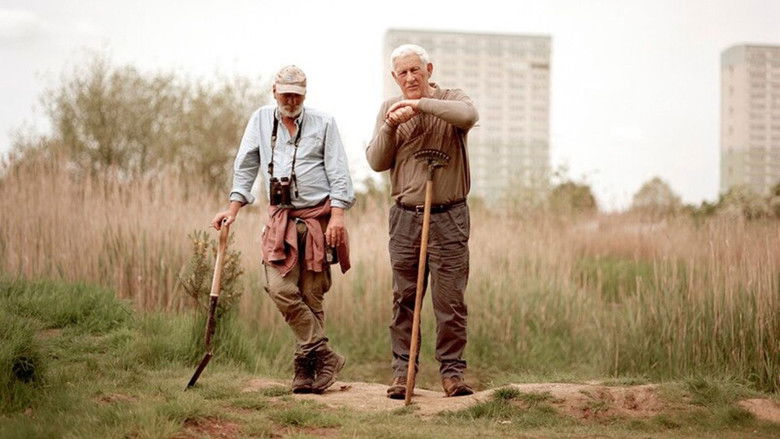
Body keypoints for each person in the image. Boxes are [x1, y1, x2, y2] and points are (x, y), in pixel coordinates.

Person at [212, 65, 355, 394]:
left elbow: (338, 171)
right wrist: (233, 209)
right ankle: (324, 352)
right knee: (279, 288)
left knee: (312, 295)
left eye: (297, 94)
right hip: (280, 221)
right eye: (285, 93)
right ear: (273, 91)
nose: (291, 99)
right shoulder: (260, 120)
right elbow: (246, 166)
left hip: (318, 219)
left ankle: (307, 373)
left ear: (305, 94)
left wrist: (338, 216)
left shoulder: (325, 123)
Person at [366, 44, 479, 399]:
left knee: (450, 302)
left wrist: (419, 105)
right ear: (394, 77)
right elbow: (376, 161)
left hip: (449, 217)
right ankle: (402, 373)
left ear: (429, 69)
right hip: (405, 219)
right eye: (403, 73)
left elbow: (468, 116)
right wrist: (389, 125)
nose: (411, 77)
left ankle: (452, 374)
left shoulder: (452, 98)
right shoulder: (389, 108)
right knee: (404, 300)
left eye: (417, 70)